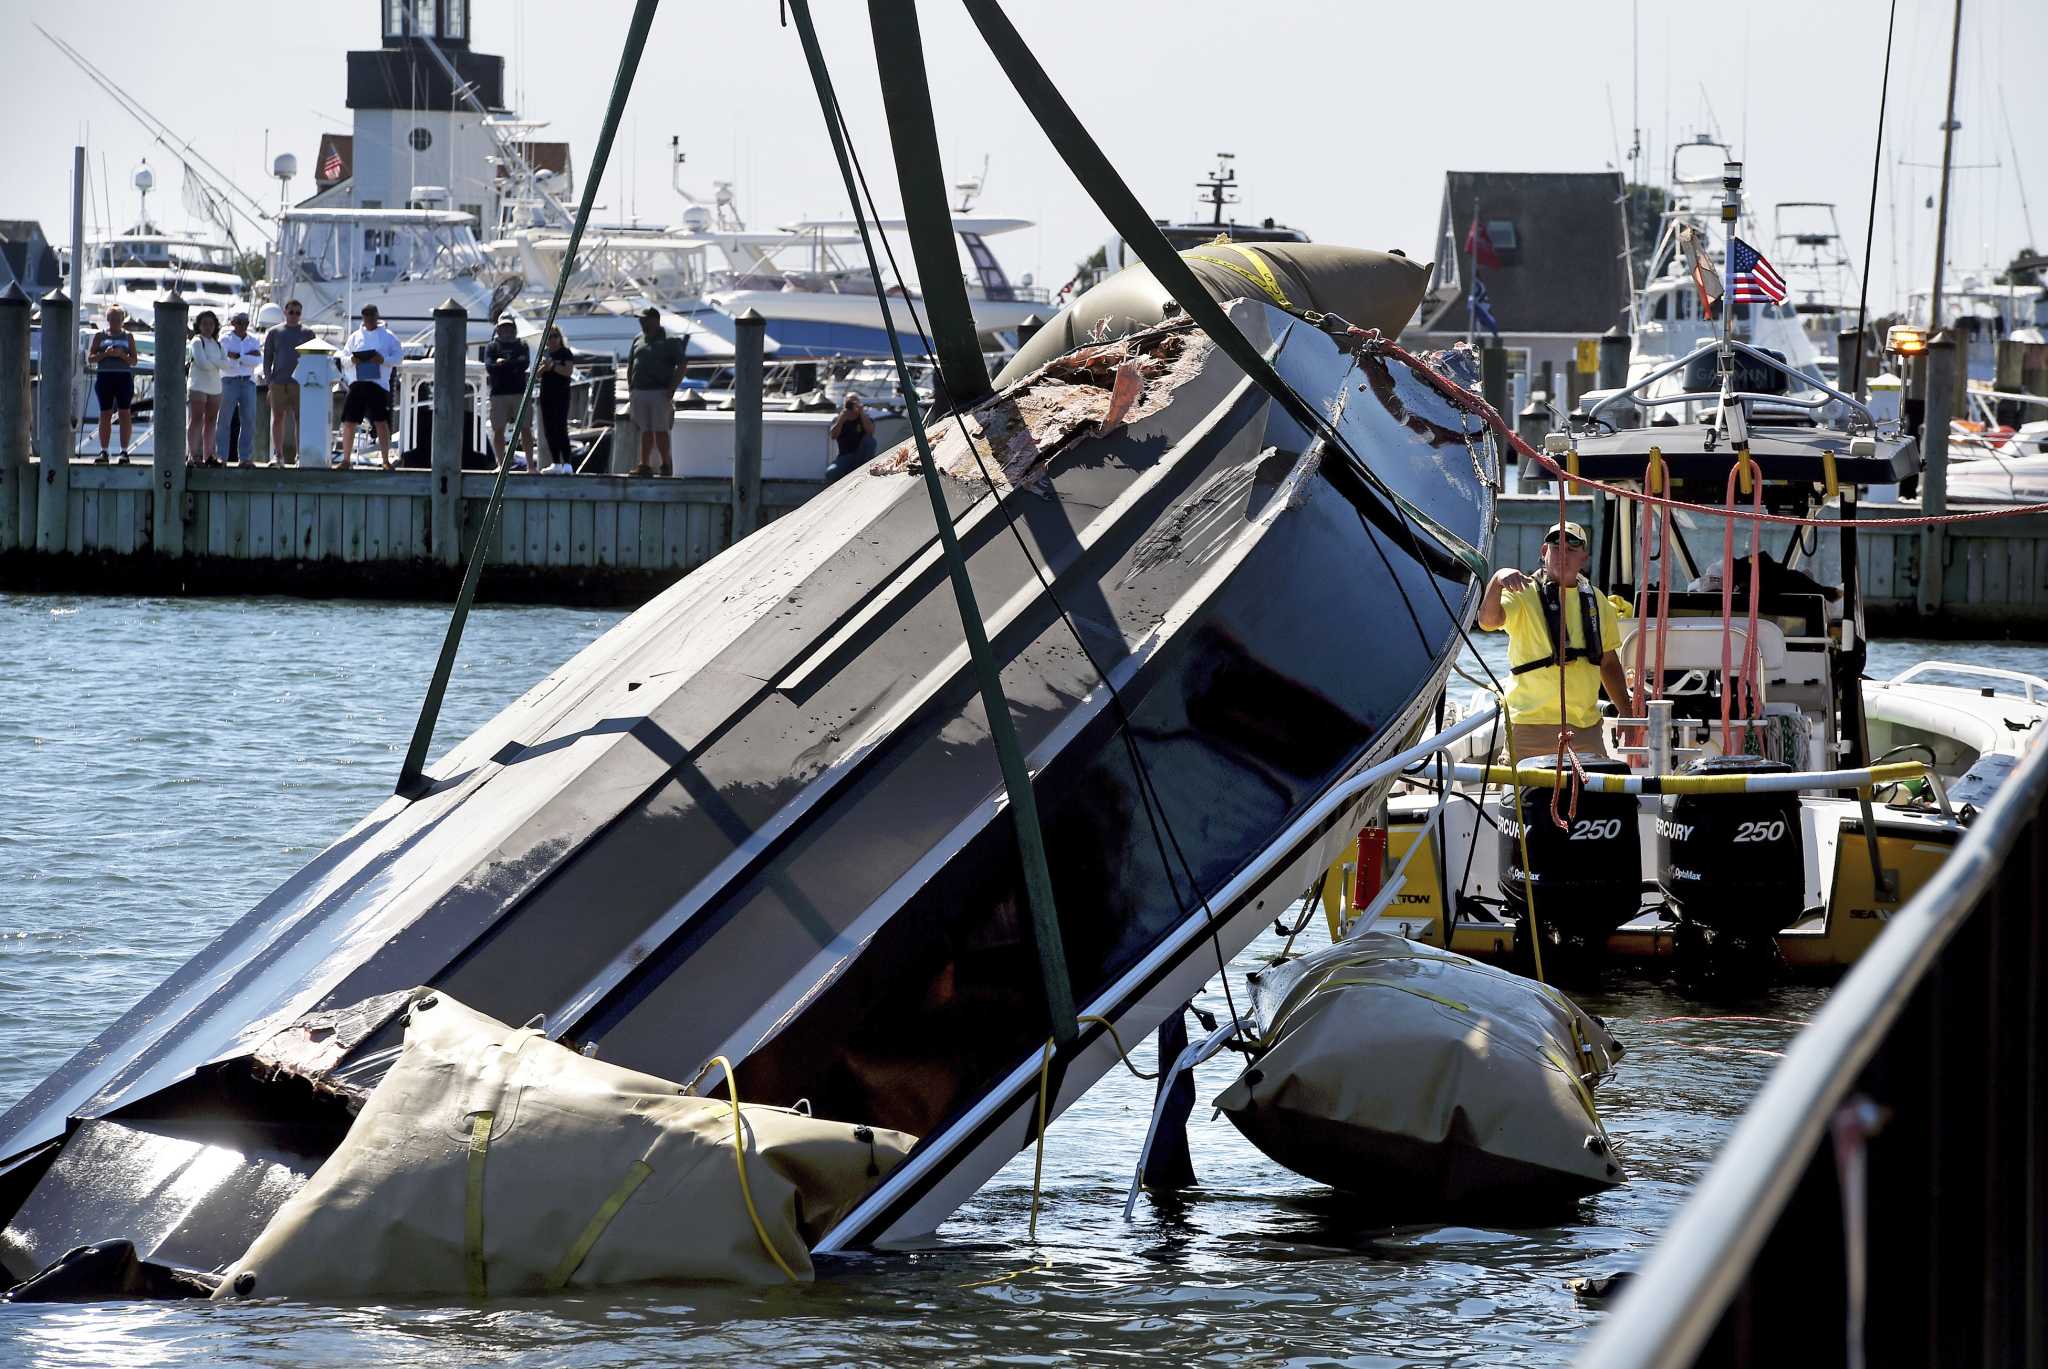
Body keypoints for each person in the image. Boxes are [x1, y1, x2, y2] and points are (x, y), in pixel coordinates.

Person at [1477, 520, 1636, 763]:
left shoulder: (1598, 601)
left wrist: (1626, 711)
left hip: (1584, 730)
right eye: (1556, 548)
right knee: (1520, 799)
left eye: (1572, 550)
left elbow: (1609, 663)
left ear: (1584, 557)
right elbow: (1487, 622)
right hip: (1528, 727)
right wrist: (1497, 579)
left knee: (1593, 796)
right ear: (1544, 552)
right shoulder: (1522, 591)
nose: (1564, 556)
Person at [339, 305, 404, 470]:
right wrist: (352, 360)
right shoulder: (354, 337)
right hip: (357, 383)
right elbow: (343, 359)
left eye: (371, 315)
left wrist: (383, 360)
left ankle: (385, 460)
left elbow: (398, 358)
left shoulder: (389, 337)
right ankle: (346, 460)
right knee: (349, 422)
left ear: (377, 316)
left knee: (381, 422)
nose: (368, 318)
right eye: (365, 315)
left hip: (378, 384)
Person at [626, 307, 686, 476]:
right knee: (645, 429)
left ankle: (665, 465)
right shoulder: (638, 339)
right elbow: (631, 364)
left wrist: (672, 388)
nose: (641, 322)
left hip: (659, 391)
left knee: (660, 430)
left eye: (644, 319)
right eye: (640, 319)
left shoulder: (670, 340)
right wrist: (631, 387)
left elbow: (682, 364)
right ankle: (644, 465)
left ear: (655, 320)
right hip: (640, 391)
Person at [262, 299, 315, 465]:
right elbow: (267, 358)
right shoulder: (274, 332)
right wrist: (269, 380)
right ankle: (278, 455)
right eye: (291, 312)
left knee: (300, 419)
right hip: (278, 382)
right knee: (277, 418)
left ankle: (301, 456)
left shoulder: (308, 333)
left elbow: (314, 358)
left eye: (298, 312)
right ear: (285, 312)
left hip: (299, 383)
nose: (294, 315)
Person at [87, 306, 138, 462]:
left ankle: (124, 451)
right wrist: (105, 354)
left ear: (122, 320)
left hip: (123, 377)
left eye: (118, 319)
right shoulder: (99, 336)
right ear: (107, 320)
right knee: (105, 414)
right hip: (105, 377)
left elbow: (134, 360)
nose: (114, 322)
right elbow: (91, 358)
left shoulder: (128, 337)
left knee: (124, 413)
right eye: (111, 319)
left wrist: (121, 355)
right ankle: (104, 451)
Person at [483, 317, 534, 471]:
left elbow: (524, 364)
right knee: (498, 429)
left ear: (514, 329)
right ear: (498, 329)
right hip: (499, 394)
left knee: (525, 429)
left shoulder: (522, 345)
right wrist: (510, 365)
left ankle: (531, 466)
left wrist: (504, 365)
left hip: (519, 392)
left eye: (509, 327)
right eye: (503, 328)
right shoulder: (492, 346)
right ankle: (501, 464)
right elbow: (490, 366)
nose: (506, 331)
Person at [217, 310, 263, 465]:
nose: (243, 325)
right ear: (233, 323)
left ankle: (245, 458)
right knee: (224, 420)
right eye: (239, 322)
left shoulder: (254, 339)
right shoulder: (225, 339)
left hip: (248, 381)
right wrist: (247, 356)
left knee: (249, 420)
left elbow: (257, 361)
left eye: (245, 322)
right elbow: (226, 363)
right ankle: (221, 456)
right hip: (229, 381)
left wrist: (238, 356)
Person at [187, 310, 226, 465]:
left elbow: (226, 364)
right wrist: (216, 362)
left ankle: (208, 455)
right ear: (199, 326)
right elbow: (202, 363)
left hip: (215, 386)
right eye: (205, 324)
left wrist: (213, 361)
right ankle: (193, 455)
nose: (208, 327)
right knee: (196, 420)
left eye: (211, 324)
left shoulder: (218, 344)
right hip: (198, 385)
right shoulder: (197, 341)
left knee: (211, 421)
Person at [537, 324, 576, 470]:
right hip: (546, 395)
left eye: (555, 336)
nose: (552, 340)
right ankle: (555, 463)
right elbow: (536, 375)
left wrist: (553, 366)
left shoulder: (565, 353)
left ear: (560, 338)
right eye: (549, 337)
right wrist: (544, 367)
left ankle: (567, 463)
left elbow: (568, 371)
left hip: (561, 395)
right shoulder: (544, 354)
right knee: (549, 429)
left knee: (560, 428)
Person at [828, 393, 877, 478]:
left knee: (870, 441)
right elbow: (833, 436)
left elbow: (870, 432)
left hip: (861, 455)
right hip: (845, 456)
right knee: (831, 473)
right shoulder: (839, 418)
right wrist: (841, 420)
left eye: (855, 402)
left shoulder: (865, 418)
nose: (852, 405)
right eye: (849, 402)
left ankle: (866, 470)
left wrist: (861, 413)